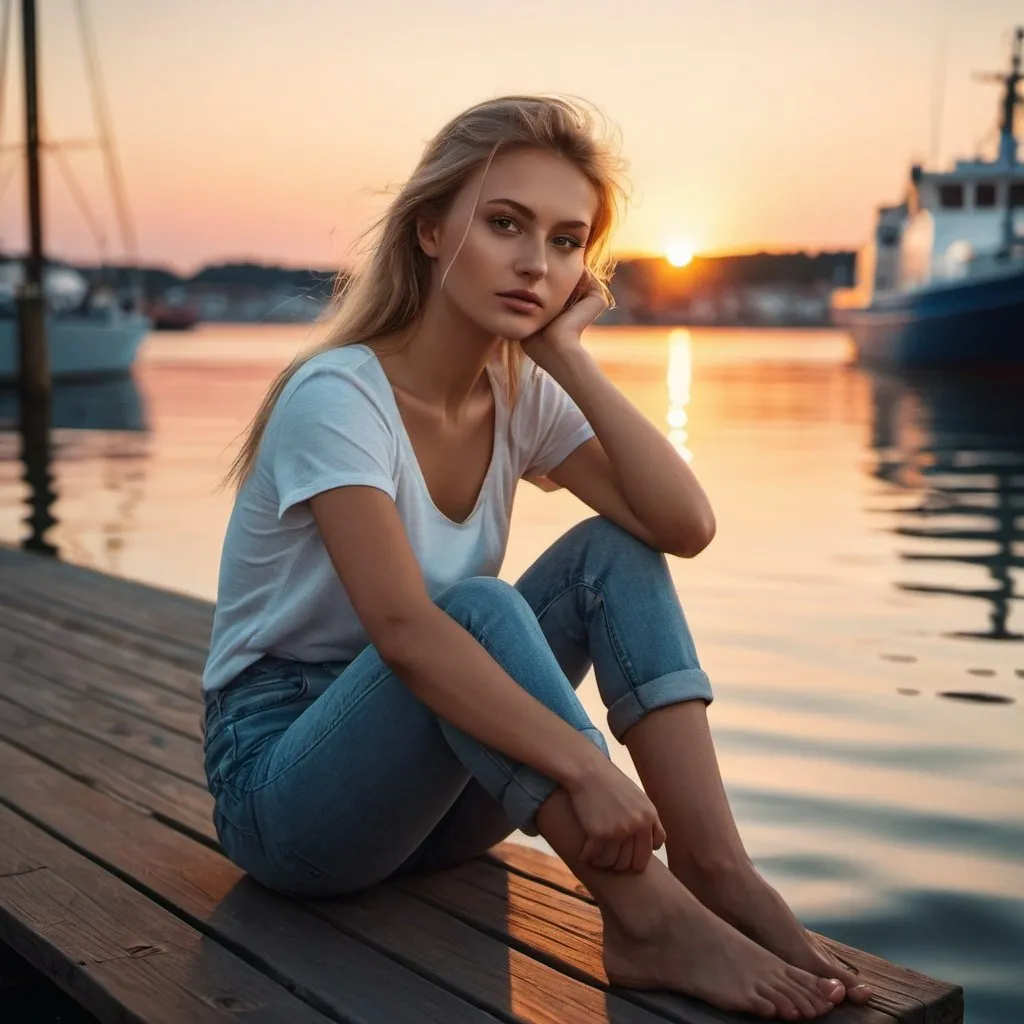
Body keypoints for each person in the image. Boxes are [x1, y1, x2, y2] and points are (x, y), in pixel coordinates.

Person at [202, 95, 872, 1020]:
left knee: (611, 551)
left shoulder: (518, 393)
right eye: (506, 224)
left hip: (444, 795)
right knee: (471, 611)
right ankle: (648, 921)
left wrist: (570, 360)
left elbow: (682, 526)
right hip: (286, 793)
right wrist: (593, 772)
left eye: (567, 242)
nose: (536, 263)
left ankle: (719, 872)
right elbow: (402, 631)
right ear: (432, 229)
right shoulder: (338, 396)